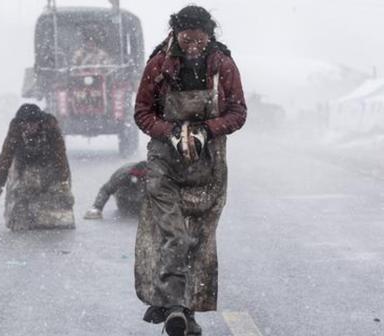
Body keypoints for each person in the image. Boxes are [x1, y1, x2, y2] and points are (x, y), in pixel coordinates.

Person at [133, 6, 247, 336]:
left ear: (209, 35)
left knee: (199, 241)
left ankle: (187, 308)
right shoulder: (158, 64)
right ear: (176, 35)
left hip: (207, 165)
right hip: (164, 164)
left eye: (199, 40)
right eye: (186, 39)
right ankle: (172, 307)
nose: (193, 46)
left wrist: (207, 129)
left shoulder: (222, 65)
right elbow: (142, 111)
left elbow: (238, 111)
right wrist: (168, 131)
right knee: (173, 235)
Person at [0, 104, 75, 231]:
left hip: (49, 163)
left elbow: (60, 155)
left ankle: (53, 219)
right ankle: (21, 218)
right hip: (24, 163)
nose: (29, 127)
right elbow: (6, 156)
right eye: (26, 124)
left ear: (40, 123)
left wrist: (64, 184)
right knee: (20, 193)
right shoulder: (16, 129)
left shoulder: (51, 127)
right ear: (21, 123)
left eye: (33, 124)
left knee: (56, 195)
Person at [84, 161, 148, 220]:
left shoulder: (155, 176)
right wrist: (97, 207)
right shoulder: (122, 175)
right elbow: (106, 190)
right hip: (126, 198)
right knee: (131, 211)